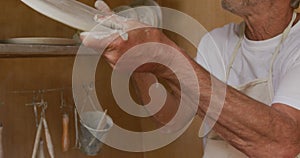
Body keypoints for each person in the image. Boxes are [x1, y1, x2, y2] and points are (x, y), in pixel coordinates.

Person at [81, 0, 300, 157]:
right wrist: (140, 58)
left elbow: (281, 145)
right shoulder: (217, 41)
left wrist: (168, 56)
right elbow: (172, 118)